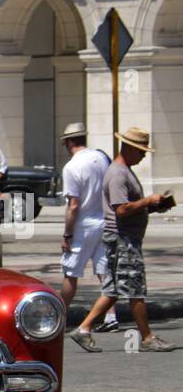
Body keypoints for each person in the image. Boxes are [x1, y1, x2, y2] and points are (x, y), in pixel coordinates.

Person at [70, 126, 176, 352]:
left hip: (122, 238)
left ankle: (83, 329)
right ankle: (147, 338)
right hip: (123, 240)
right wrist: (148, 201)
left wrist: (154, 207)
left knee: (113, 289)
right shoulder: (118, 173)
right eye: (141, 151)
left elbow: (129, 207)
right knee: (135, 288)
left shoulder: (123, 169)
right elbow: (121, 209)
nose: (144, 156)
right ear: (129, 148)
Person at [56, 122, 116, 330]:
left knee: (71, 273)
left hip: (84, 224)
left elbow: (73, 205)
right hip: (105, 220)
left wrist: (67, 235)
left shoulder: (72, 167)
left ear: (69, 142)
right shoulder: (101, 157)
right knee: (104, 269)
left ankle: (58, 319)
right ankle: (111, 316)